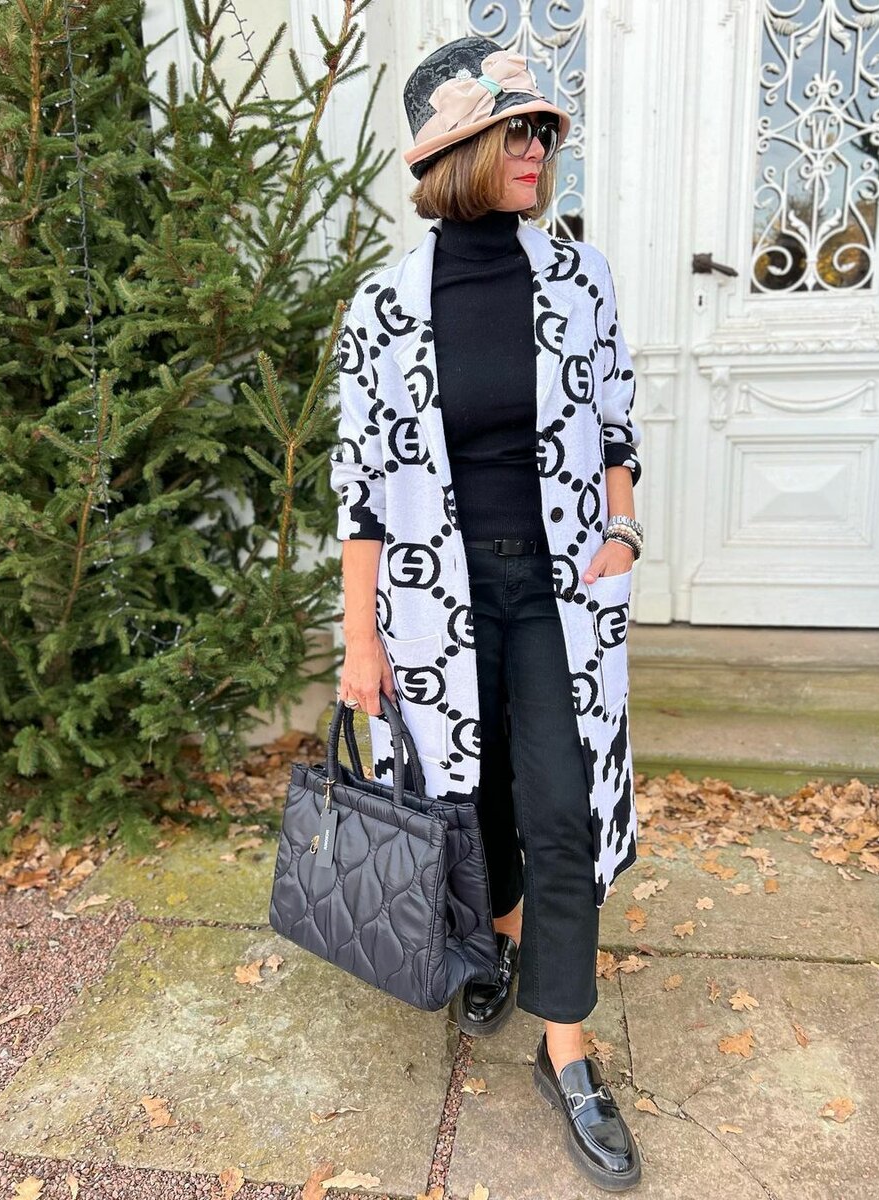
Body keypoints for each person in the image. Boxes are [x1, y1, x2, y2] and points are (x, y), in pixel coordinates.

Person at [330, 34, 644, 1192]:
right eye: (516, 131)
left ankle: (567, 1048)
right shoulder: (383, 306)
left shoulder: (580, 276)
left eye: (543, 132)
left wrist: (621, 534)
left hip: (559, 593)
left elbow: (618, 421)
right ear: (453, 152)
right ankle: (499, 941)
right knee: (474, 799)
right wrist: (359, 639)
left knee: (561, 805)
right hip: (434, 601)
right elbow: (362, 487)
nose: (538, 150)